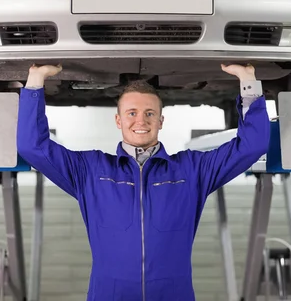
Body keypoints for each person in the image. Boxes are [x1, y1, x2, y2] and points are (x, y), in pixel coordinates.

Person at [17, 63, 270, 301]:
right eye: (132, 113)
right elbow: (33, 147)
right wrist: (35, 82)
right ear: (119, 120)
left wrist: (248, 82)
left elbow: (251, 146)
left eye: (150, 113)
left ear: (161, 121)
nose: (141, 120)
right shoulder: (90, 171)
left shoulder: (192, 171)